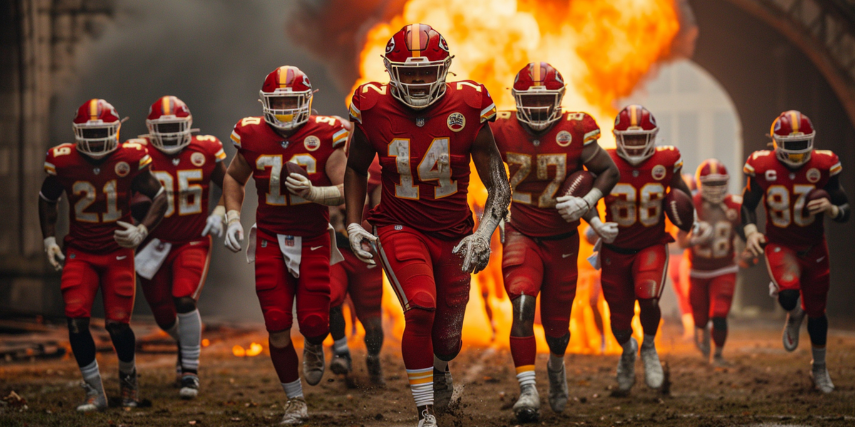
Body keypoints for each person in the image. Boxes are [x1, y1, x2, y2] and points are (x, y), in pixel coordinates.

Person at [343, 23, 511, 427]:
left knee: (448, 342)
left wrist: (483, 234)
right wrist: (352, 223)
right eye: (408, 73)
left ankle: (440, 368)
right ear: (391, 71)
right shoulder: (372, 106)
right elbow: (354, 167)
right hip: (399, 225)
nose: (418, 83)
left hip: (454, 233)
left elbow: (499, 186)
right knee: (420, 306)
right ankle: (426, 414)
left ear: (445, 69)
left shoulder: (469, 105)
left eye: (426, 72)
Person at [490, 62, 619, 421]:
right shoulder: (500, 128)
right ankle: (527, 389)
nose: (536, 107)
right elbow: (469, 160)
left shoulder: (576, 128)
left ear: (559, 99)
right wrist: (492, 213)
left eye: (545, 99)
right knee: (522, 305)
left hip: (562, 238)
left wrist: (587, 201)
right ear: (516, 99)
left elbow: (609, 170)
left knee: (557, 329)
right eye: (530, 99)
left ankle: (556, 368)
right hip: (521, 231)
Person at [222, 66, 349, 423]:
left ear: (307, 100)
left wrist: (313, 192)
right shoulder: (251, 134)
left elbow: (345, 190)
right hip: (269, 237)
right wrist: (232, 217)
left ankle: (313, 343)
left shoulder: (327, 133)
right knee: (276, 321)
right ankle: (295, 400)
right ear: (265, 103)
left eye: (292, 101)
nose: (285, 109)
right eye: (278, 102)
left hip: (312, 237)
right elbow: (233, 176)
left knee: (313, 321)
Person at [39, 99, 167, 410]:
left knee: (117, 325)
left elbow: (160, 197)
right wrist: (49, 241)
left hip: (117, 252)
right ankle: (94, 391)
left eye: (102, 133)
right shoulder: (64, 160)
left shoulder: (130, 158)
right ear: (77, 133)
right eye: (89, 134)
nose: (96, 141)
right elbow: (47, 198)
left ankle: (128, 382)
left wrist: (141, 230)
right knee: (76, 321)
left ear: (116, 131)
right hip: (80, 251)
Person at [586, 104, 693, 394]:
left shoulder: (666, 161)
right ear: (617, 137)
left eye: (640, 137)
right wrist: (593, 222)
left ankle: (648, 346)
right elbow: (585, 192)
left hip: (650, 244)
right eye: (628, 138)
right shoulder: (604, 160)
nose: (634, 144)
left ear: (653, 137)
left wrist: (685, 214)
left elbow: (683, 195)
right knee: (619, 321)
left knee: (648, 297)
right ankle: (628, 348)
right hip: (614, 249)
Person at [741, 110, 849, 393]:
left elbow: (845, 210)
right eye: (791, 146)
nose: (798, 153)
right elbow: (747, 205)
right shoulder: (762, 166)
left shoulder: (824, 165)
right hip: (780, 244)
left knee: (817, 312)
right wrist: (751, 232)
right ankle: (793, 312)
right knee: (789, 296)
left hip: (814, 245)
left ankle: (819, 368)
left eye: (803, 145)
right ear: (776, 144)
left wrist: (831, 208)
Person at [131, 96, 228, 398]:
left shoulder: (207, 149)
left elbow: (230, 184)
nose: (171, 133)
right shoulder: (137, 154)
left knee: (184, 298)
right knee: (162, 314)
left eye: (176, 126)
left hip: (192, 239)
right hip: (152, 242)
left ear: (188, 126)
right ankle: (185, 343)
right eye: (164, 127)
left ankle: (190, 371)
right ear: (150, 129)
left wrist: (222, 212)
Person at [676, 159, 742, 365]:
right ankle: (701, 332)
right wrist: (693, 240)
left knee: (720, 312)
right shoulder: (692, 205)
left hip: (725, 268)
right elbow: (680, 240)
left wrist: (749, 251)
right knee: (700, 318)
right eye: (710, 184)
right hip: (698, 271)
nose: (715, 189)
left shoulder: (735, 206)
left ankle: (719, 354)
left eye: (718, 184)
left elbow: (745, 234)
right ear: (700, 184)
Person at [327, 155, 385, 384]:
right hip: (337, 249)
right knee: (331, 297)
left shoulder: (374, 166)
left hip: (365, 251)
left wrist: (365, 229)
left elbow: (382, 209)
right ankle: (341, 350)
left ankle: (373, 358)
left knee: (372, 322)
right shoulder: (321, 156)